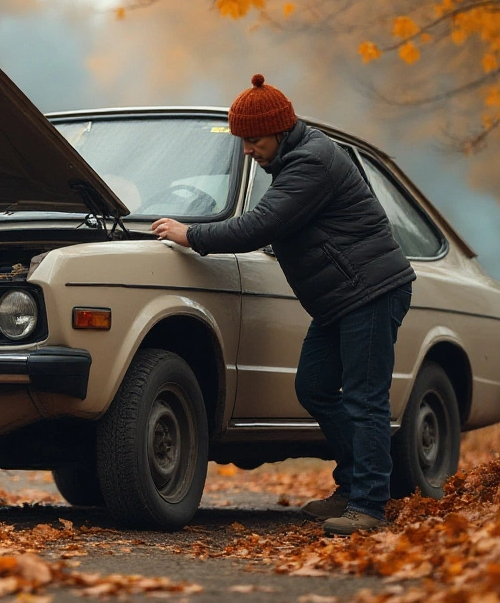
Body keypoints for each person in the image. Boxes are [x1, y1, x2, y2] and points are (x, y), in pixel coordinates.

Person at [150, 74, 415, 535]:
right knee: (314, 387)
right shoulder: (294, 157)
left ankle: (370, 506)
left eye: (253, 141)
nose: (247, 150)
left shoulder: (312, 161)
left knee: (364, 399)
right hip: (341, 299)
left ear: (279, 129)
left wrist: (190, 234)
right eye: (242, 142)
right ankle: (353, 487)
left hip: (370, 292)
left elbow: (260, 225)